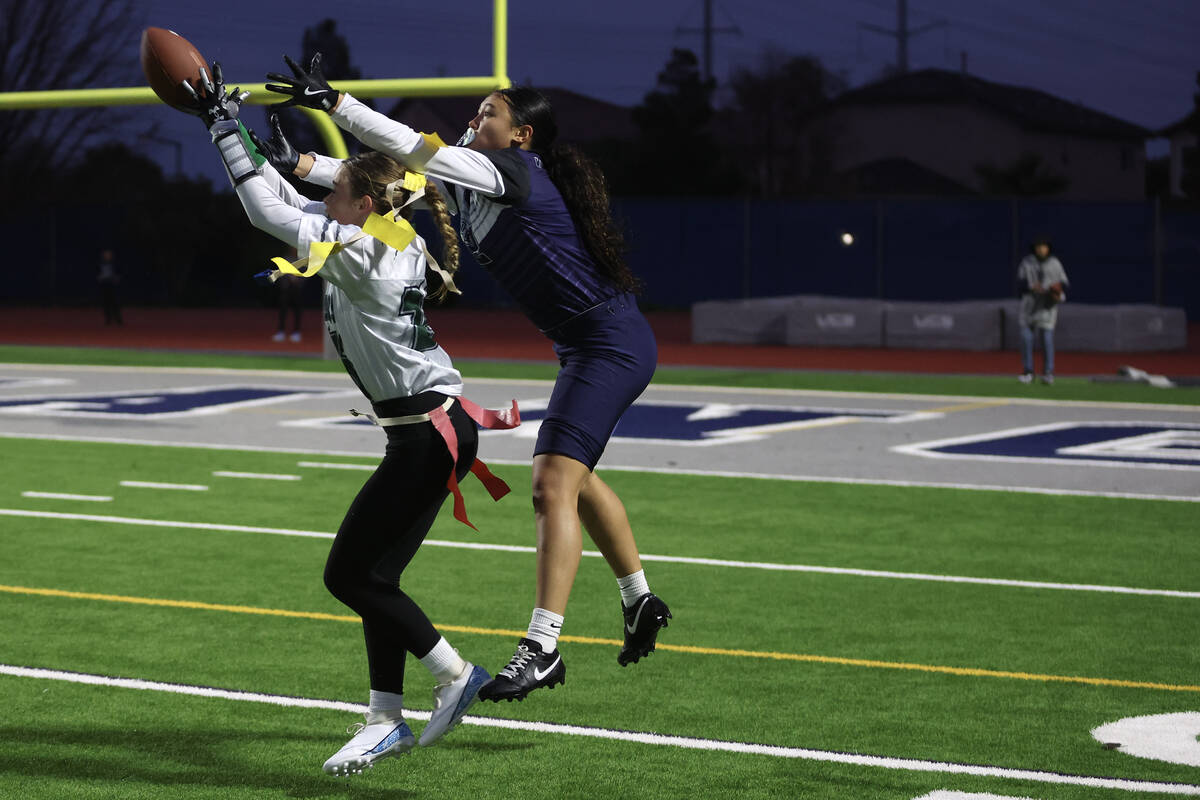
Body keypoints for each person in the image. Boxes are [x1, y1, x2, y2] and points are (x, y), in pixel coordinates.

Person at [266, 55, 672, 702]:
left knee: (549, 482)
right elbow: (385, 183)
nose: (472, 118)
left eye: (489, 114)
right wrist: (300, 166)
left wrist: (337, 103)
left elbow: (407, 145)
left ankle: (541, 646)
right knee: (577, 478)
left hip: (611, 344)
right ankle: (640, 599)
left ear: (522, 137)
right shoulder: (465, 173)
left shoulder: (507, 171)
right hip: (584, 345)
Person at [185, 64, 513, 776]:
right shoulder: (389, 237)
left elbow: (269, 214)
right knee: (377, 578)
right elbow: (285, 196)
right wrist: (238, 134)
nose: (324, 199)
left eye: (335, 191)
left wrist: (218, 124)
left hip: (427, 436)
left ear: (363, 203)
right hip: (434, 429)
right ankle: (383, 719)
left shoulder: (361, 250)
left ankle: (454, 674)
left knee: (348, 575)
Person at [1016, 236, 1069, 385]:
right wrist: (1030, 287)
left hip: (1047, 306)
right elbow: (1019, 284)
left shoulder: (1054, 263)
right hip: (1029, 306)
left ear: (1048, 248)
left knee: (1046, 339)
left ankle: (1048, 373)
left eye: (1044, 246)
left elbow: (1063, 284)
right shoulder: (1027, 262)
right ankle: (1028, 372)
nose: (1041, 249)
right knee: (1026, 339)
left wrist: (1057, 292)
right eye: (1038, 246)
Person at [273, 269, 304, 342]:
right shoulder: (286, 259)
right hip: (286, 290)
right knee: (283, 311)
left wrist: (298, 279)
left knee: (297, 312)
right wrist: (289, 277)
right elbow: (279, 273)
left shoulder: (302, 260)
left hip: (297, 290)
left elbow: (307, 274)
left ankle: (297, 332)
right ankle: (281, 332)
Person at [97, 248, 122, 325]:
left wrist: (116, 278)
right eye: (106, 254)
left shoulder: (115, 264)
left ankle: (118, 320)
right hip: (104, 284)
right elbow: (98, 274)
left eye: (109, 254)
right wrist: (99, 278)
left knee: (115, 302)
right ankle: (108, 320)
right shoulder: (100, 264)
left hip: (112, 284)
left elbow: (118, 273)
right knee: (106, 303)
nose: (107, 256)